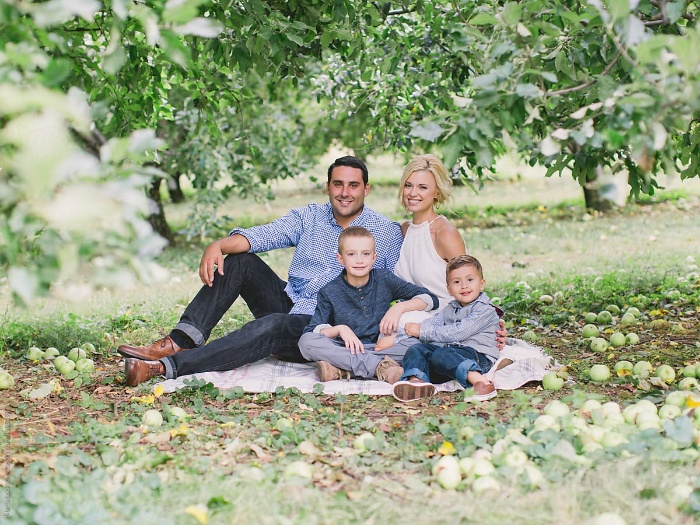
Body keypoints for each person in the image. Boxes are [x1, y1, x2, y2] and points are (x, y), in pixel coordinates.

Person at [119, 156, 405, 386]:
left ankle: (164, 367)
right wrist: (219, 244)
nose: (345, 193)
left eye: (353, 185)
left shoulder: (386, 233)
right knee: (240, 261)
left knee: (274, 326)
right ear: (328, 186)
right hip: (291, 303)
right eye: (338, 184)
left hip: (329, 329)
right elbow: (264, 235)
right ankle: (179, 342)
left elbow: (399, 288)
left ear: (366, 189)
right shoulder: (309, 217)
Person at [297, 226, 439, 383]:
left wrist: (399, 308)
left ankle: (341, 369)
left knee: (419, 343)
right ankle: (382, 368)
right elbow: (312, 331)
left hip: (382, 347)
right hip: (346, 349)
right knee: (306, 343)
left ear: (374, 257)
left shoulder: (384, 279)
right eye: (351, 254)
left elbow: (430, 298)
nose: (359, 260)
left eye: (365, 254)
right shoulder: (329, 291)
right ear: (340, 258)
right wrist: (340, 329)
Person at [391, 254, 504, 402]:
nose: (464, 286)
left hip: (478, 358)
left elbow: (459, 332)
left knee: (441, 353)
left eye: (470, 280)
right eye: (457, 282)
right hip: (449, 358)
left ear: (481, 284)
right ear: (449, 289)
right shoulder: (450, 308)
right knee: (417, 349)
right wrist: (397, 338)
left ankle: (480, 382)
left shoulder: (485, 310)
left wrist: (422, 331)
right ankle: (417, 382)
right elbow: (431, 323)